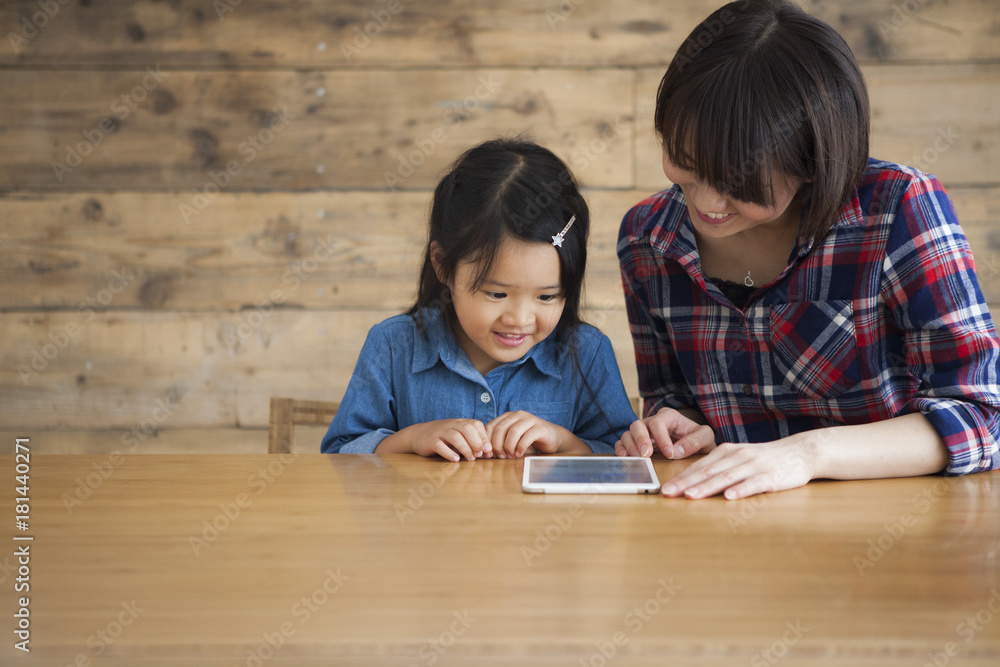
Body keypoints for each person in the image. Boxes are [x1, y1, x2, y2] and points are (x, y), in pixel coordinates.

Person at [616, 0, 1000, 498]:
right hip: (724, 536)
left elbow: (983, 417)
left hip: (893, 535)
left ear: (814, 161)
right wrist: (676, 426)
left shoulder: (896, 210)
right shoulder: (647, 240)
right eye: (686, 162)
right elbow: (677, 401)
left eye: (741, 182)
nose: (706, 202)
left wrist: (806, 453)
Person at [322, 138, 637, 460]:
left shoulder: (585, 352)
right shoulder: (393, 345)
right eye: (497, 294)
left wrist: (562, 441)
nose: (520, 318)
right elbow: (339, 455)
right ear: (443, 265)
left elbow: (625, 459)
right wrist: (413, 439)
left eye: (547, 296)